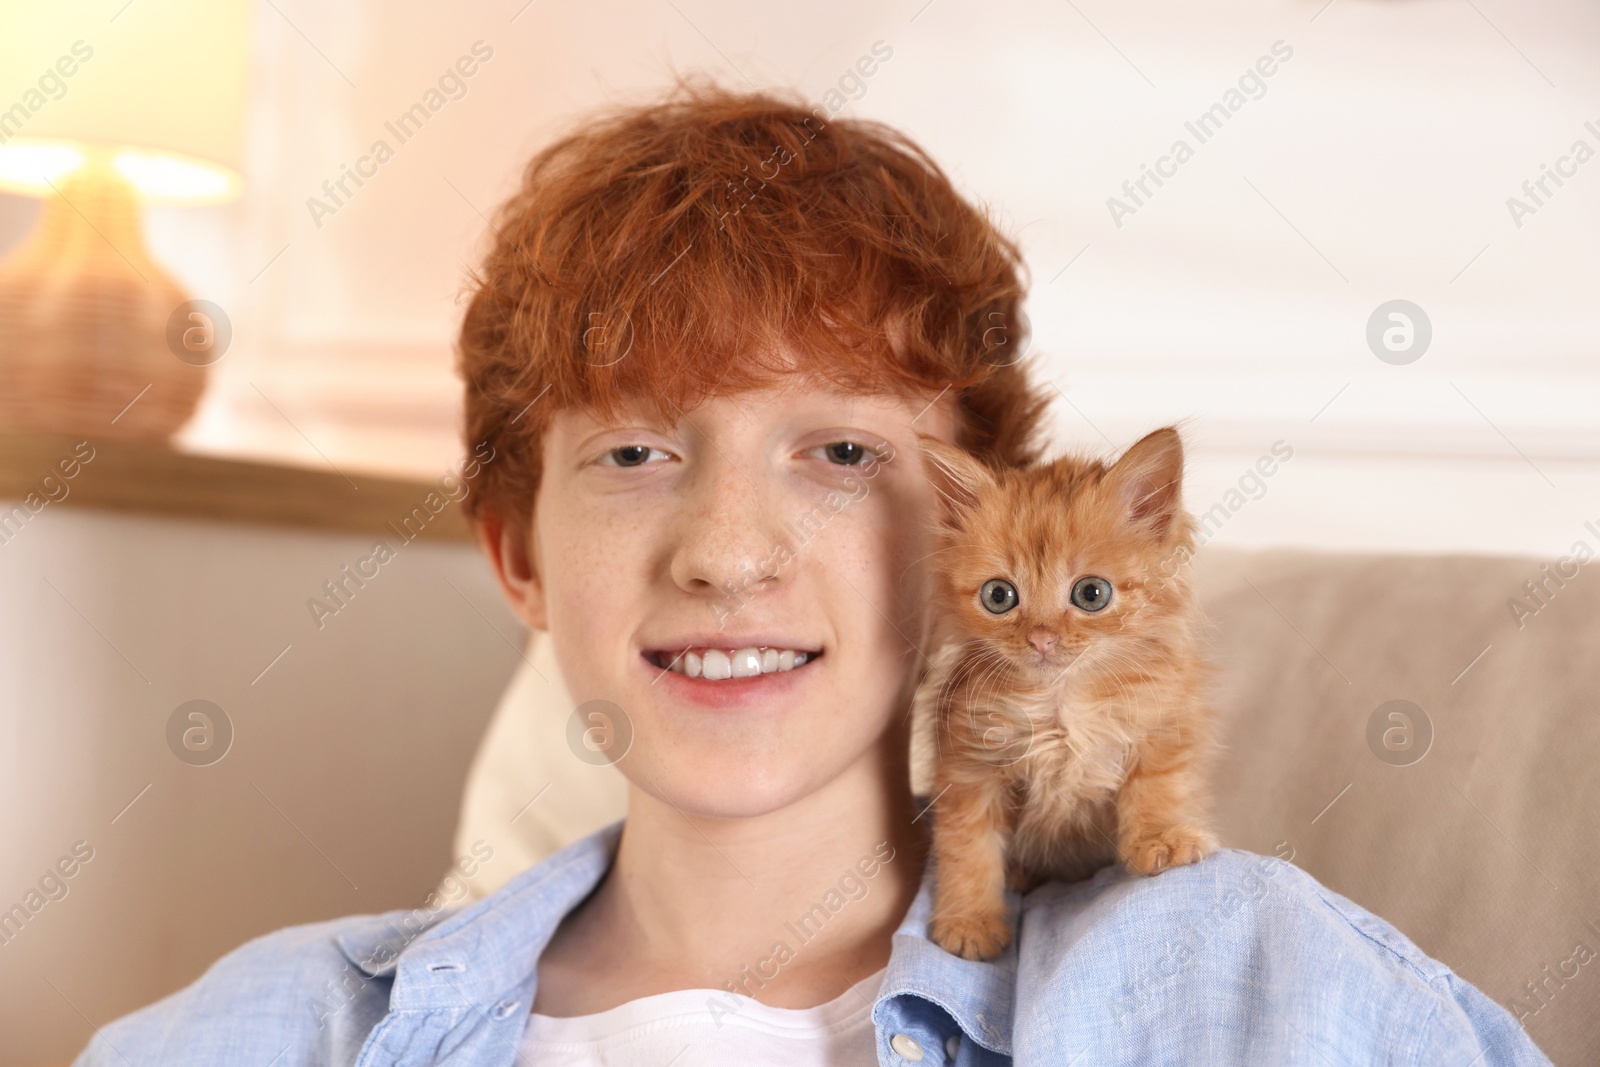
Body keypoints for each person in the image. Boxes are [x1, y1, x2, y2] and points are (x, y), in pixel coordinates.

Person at [74, 78, 1553, 1067]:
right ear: (519, 553)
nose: (725, 554)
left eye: (841, 454)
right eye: (637, 454)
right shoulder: (274, 1026)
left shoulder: (1245, 982)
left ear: (962, 553)